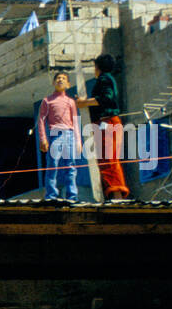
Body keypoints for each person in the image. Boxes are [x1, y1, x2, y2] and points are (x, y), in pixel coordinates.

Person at [76, 53, 131, 200]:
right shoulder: (107, 79)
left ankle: (117, 194)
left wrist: (84, 102)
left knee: (108, 159)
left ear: (98, 67)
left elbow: (106, 98)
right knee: (106, 158)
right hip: (106, 123)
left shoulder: (104, 79)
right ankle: (113, 192)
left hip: (107, 122)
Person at [38, 71, 81, 201]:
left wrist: (78, 141)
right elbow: (41, 120)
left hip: (69, 134)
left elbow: (75, 122)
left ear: (68, 84)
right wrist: (43, 139)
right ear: (53, 82)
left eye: (63, 79)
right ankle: (51, 195)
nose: (60, 80)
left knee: (70, 166)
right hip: (55, 134)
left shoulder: (70, 101)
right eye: (58, 78)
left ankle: (72, 195)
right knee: (52, 165)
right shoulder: (47, 100)